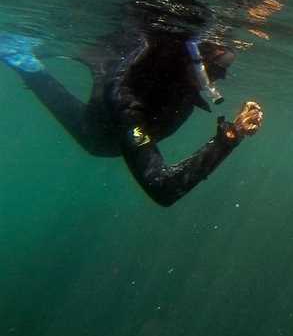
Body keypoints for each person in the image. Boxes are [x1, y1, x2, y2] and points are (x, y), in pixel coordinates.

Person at [0, 30, 263, 207]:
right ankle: (23, 61)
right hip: (102, 134)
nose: (223, 78)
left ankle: (26, 64)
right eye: (218, 69)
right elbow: (163, 188)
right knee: (73, 116)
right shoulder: (128, 103)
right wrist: (230, 137)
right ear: (190, 61)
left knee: (66, 108)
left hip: (113, 126)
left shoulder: (176, 79)